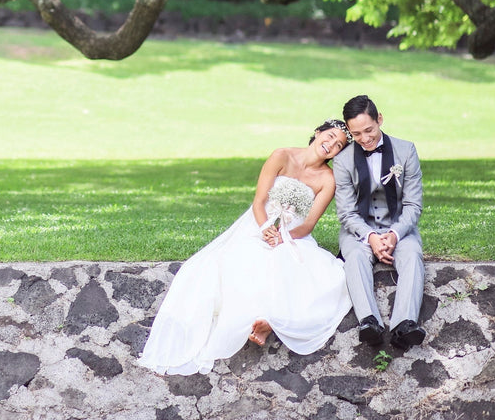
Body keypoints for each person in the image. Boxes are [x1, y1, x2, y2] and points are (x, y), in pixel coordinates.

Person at [138, 119, 353, 375]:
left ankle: (268, 322)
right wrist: (265, 230)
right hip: (258, 224)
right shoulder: (281, 155)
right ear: (317, 133)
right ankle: (255, 318)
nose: (330, 145)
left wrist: (284, 237)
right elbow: (259, 201)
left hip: (292, 234)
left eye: (338, 145)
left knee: (312, 271)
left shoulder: (328, 178)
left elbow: (308, 224)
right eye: (329, 137)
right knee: (246, 259)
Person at [333, 95, 426, 351]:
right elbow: (347, 213)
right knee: (355, 258)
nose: (364, 138)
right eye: (356, 134)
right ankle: (369, 322)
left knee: (412, 255)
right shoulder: (342, 161)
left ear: (380, 119)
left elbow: (413, 205)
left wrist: (394, 235)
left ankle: (404, 324)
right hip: (359, 230)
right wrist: (371, 237)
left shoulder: (406, 151)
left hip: (399, 226)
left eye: (369, 130)